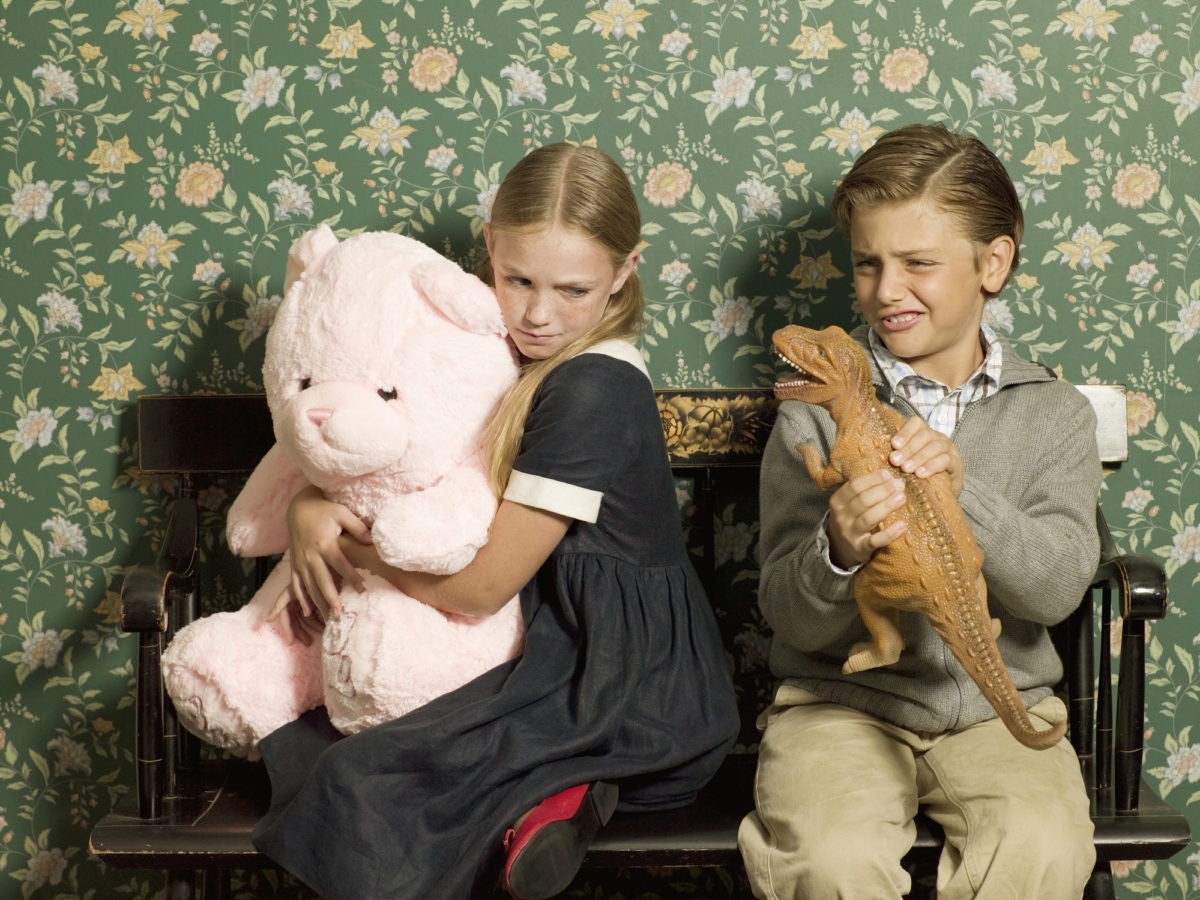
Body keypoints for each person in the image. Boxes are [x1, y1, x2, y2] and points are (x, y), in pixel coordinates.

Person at [251, 142, 740, 900]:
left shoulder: (594, 390)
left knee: (363, 776)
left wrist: (344, 540)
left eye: (573, 289)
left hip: (621, 679)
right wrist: (308, 502)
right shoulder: (484, 352)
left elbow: (479, 589)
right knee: (313, 745)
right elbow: (390, 456)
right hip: (549, 644)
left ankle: (564, 789)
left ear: (625, 269)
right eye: (517, 280)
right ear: (489, 248)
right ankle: (552, 797)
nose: (538, 313)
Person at [738, 123, 1101, 899]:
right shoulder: (818, 413)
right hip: (841, 705)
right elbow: (790, 617)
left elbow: (1056, 589)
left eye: (918, 264)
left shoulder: (1056, 416)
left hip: (1000, 709)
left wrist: (958, 490)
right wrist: (836, 548)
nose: (886, 289)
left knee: (1040, 848)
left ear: (991, 264)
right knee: (831, 859)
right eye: (868, 263)